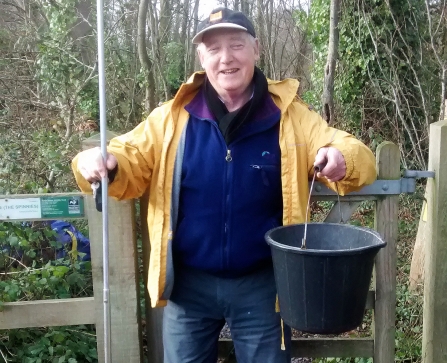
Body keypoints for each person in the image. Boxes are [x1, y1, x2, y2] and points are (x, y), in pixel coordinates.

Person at [72, 7, 377, 363]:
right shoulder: (171, 119)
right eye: (213, 49)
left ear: (256, 50)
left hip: (264, 286)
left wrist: (341, 157)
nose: (226, 58)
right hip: (188, 288)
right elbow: (127, 159)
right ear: (201, 57)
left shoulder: (290, 117)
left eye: (236, 45)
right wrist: (96, 163)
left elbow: (357, 153)